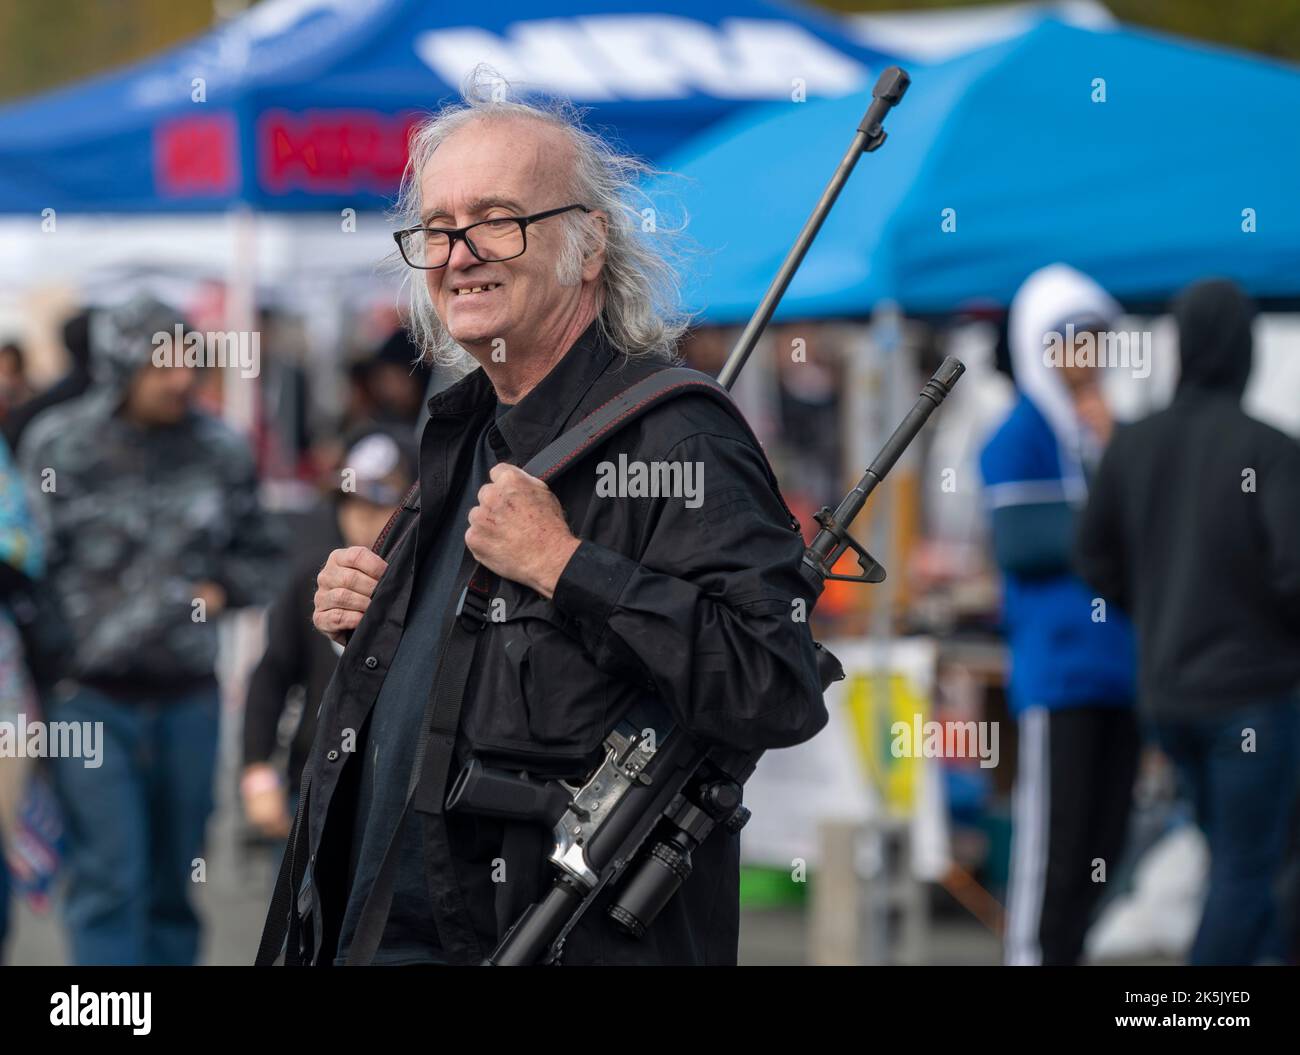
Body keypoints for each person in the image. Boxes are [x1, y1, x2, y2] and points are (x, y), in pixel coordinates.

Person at [264, 82, 828, 967]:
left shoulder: (681, 437)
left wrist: (569, 565)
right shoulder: (465, 430)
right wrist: (381, 632)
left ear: (588, 242)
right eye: (439, 228)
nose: (459, 253)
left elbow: (776, 679)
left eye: (495, 219)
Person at [19, 294, 287, 966]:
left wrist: (223, 590)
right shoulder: (58, 445)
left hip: (187, 697)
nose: (180, 379)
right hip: (88, 701)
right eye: (158, 365)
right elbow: (25, 566)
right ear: (118, 365)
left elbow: (265, 554)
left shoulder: (219, 448)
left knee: (175, 880)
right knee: (111, 877)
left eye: (188, 361)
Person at [1076, 278, 1300, 965]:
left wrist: (1161, 605)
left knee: (1232, 857)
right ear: (1243, 349)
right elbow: (1295, 573)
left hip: (1167, 695)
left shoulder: (1135, 445)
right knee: (1247, 868)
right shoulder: (1267, 448)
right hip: (1250, 695)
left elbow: (1093, 556)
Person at [978, 264, 1139, 966]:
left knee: (1106, 841)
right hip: (1060, 671)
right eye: (1073, 340)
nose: (1089, 357)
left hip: (1122, 672)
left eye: (1096, 340)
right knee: (1056, 842)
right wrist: (1110, 517)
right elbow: (1026, 542)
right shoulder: (1017, 435)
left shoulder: (1109, 436)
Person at [241, 425, 417, 841]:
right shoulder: (314, 578)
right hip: (311, 781)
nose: (359, 517)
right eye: (350, 502)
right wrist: (257, 772)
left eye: (378, 504)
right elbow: (271, 674)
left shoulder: (428, 587)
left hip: (395, 793)